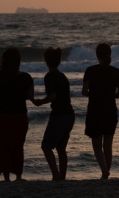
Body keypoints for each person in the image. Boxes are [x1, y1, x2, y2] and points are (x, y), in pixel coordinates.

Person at [0, 47, 34, 181]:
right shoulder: (26, 77)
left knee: (2, 145)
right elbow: (30, 96)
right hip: (19, 115)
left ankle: (6, 177)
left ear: (3, 61)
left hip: (0, 115)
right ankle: (18, 175)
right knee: (18, 145)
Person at [82, 42, 119, 179]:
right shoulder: (116, 72)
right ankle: (106, 171)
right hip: (110, 110)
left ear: (97, 55)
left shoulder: (90, 70)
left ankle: (104, 170)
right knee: (108, 144)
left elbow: (84, 91)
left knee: (96, 144)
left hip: (95, 109)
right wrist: (110, 95)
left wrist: (94, 95)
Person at [32, 47, 75, 181]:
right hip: (69, 114)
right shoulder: (62, 76)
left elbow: (53, 96)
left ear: (46, 61)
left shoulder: (50, 76)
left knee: (46, 146)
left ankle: (56, 175)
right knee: (61, 148)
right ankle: (62, 175)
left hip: (60, 114)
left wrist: (40, 102)